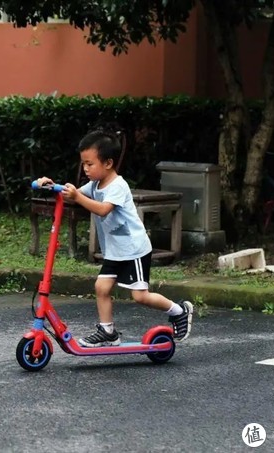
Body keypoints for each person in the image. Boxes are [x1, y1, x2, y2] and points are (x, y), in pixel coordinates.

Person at [36, 128, 193, 347]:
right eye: (83, 164)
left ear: (107, 163)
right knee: (102, 287)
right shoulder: (94, 185)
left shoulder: (118, 185)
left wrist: (78, 196)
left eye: (90, 164)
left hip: (134, 250)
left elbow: (102, 209)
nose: (85, 169)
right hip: (115, 252)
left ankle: (179, 310)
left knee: (140, 296)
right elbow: (72, 195)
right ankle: (108, 332)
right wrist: (51, 185)